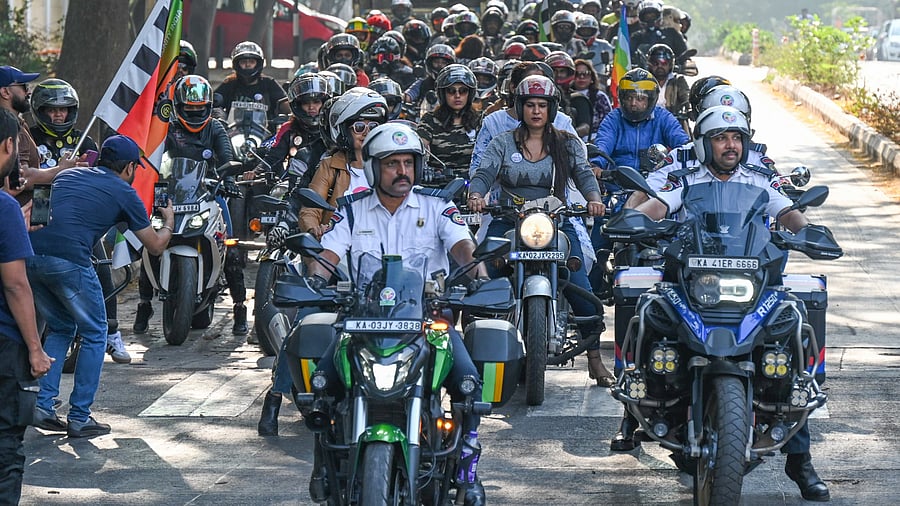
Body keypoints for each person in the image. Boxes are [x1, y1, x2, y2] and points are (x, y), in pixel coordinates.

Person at [628, 105, 830, 502]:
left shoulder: (759, 183)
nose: (730, 145)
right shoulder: (684, 182)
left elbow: (787, 213)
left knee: (787, 341)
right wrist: (635, 220)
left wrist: (812, 234)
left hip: (747, 287)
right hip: (693, 286)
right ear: (705, 144)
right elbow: (657, 207)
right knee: (649, 311)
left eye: (736, 138)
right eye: (721, 138)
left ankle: (800, 459)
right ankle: (636, 402)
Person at [308, 122, 488, 505]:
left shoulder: (439, 206)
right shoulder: (352, 211)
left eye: (408, 162)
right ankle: (323, 463)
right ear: (374, 168)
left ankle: (468, 468)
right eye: (392, 164)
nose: (402, 171)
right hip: (361, 323)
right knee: (321, 382)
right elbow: (329, 256)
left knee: (469, 383)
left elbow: (462, 247)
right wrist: (315, 277)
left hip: (428, 322)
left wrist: (479, 275)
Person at [257, 89, 387, 437]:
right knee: (307, 316)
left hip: (383, 258)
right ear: (344, 129)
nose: (367, 131)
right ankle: (275, 395)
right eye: (360, 125)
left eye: (375, 125)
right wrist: (319, 229)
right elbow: (310, 208)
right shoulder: (331, 164)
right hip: (335, 255)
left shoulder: (392, 163)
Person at [28, 135, 174, 438]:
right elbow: (156, 246)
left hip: (30, 256)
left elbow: (40, 204)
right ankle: (80, 416)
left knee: (60, 327)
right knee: (96, 332)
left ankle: (42, 406)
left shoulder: (67, 174)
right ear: (131, 167)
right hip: (69, 260)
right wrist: (169, 221)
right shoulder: (125, 191)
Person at [467, 75, 609, 384]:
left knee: (582, 287)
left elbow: (584, 175)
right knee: (480, 282)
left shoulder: (567, 143)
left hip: (556, 219)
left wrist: (594, 200)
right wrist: (477, 195)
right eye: (530, 105)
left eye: (542, 105)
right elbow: (484, 172)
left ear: (552, 109)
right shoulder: (503, 141)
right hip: (509, 219)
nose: (535, 111)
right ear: (519, 107)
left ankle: (595, 361)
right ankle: (475, 366)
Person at [28, 78, 131, 364]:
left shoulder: (84, 139)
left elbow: (99, 176)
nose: (58, 115)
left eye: (64, 110)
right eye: (51, 110)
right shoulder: (30, 136)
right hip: (39, 208)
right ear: (40, 110)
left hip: (77, 215)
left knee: (101, 268)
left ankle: (112, 332)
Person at [134, 75, 246, 335]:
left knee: (231, 245)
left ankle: (240, 307)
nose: (195, 113)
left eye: (200, 108)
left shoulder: (216, 128)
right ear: (178, 107)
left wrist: (229, 178)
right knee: (148, 241)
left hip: (208, 193)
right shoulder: (168, 128)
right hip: (168, 194)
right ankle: (143, 303)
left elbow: (226, 157)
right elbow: (153, 155)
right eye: (189, 109)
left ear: (208, 107)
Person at [0, 106, 52, 505]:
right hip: (4, 346)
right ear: (7, 147)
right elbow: (17, 285)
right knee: (5, 449)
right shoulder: (3, 210)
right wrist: (36, 348)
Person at [417, 64, 481, 182]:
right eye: (451, 91)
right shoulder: (430, 120)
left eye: (463, 91)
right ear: (442, 93)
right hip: (439, 184)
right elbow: (419, 147)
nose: (457, 96)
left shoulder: (480, 120)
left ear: (470, 93)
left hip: (474, 186)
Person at [213, 41, 290, 124]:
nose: (247, 65)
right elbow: (214, 103)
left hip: (266, 134)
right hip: (233, 133)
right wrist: (220, 116)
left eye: (251, 62)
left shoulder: (269, 83)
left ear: (258, 64)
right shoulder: (229, 83)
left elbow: (284, 105)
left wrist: (288, 113)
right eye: (243, 62)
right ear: (236, 64)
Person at [571, 59, 612, 144]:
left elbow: (609, 124)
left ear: (592, 77)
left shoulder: (600, 97)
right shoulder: (565, 96)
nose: (581, 77)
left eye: (585, 74)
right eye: (577, 74)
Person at [644, 43, 689, 119]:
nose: (660, 66)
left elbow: (686, 97)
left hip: (673, 124)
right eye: (656, 63)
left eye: (664, 63)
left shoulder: (678, 80)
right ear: (650, 64)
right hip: (647, 124)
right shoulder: (643, 81)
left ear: (670, 64)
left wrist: (689, 108)